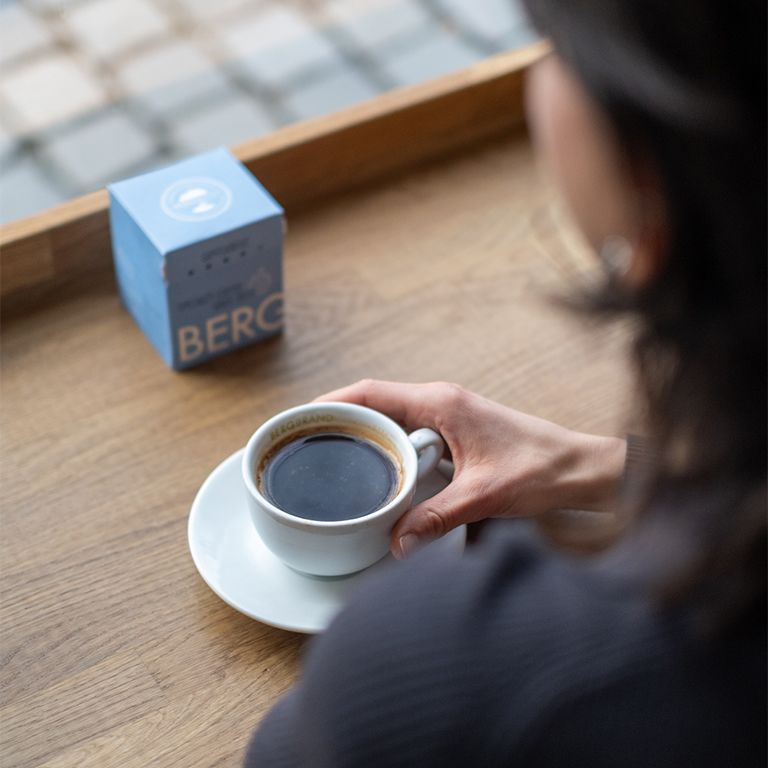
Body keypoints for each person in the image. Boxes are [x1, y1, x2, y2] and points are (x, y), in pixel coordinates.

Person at [245, 0, 766, 765]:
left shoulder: (451, 664)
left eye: (552, 45)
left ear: (650, 188)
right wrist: (597, 464)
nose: (538, 76)